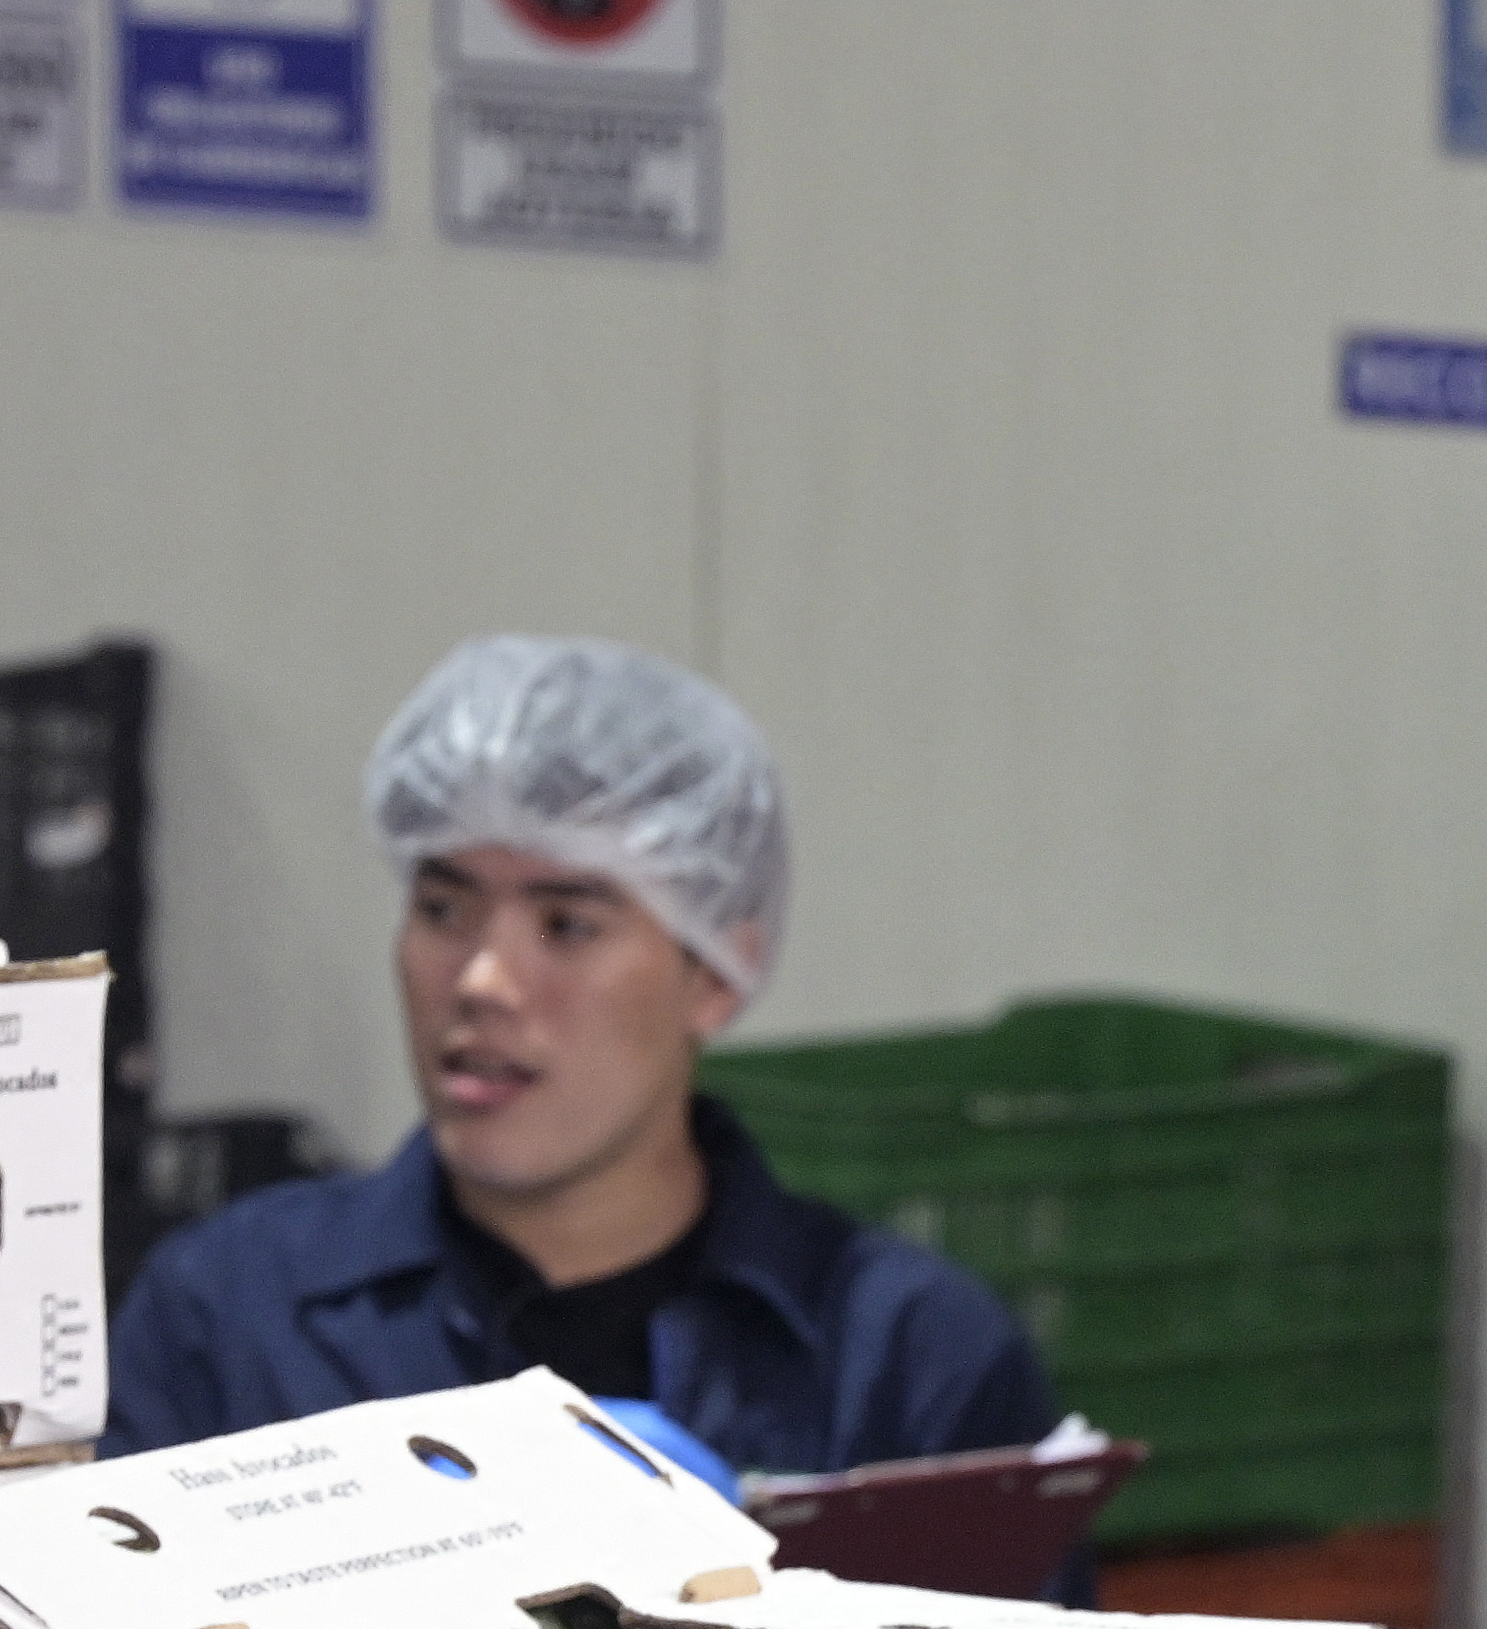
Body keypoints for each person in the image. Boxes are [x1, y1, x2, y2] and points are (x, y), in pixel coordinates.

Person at [103, 632, 1060, 1477]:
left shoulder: (904, 1359)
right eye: (443, 909)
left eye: (567, 924)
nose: (481, 978)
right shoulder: (232, 1314)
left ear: (718, 974)